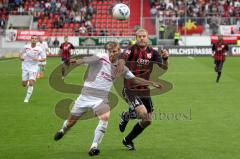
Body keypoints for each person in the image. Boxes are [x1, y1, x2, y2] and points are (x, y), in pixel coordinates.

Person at [53, 42, 161, 156]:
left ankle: (94, 147)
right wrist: (76, 61)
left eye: (114, 51)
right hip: (85, 96)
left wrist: (151, 83)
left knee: (105, 117)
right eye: (110, 51)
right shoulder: (101, 57)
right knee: (70, 123)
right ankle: (63, 130)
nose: (112, 54)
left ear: (119, 52)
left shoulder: (122, 68)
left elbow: (134, 79)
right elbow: (86, 60)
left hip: (101, 99)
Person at [116, 28, 169, 150]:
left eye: (144, 36)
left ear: (148, 38)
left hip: (144, 90)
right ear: (136, 38)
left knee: (147, 120)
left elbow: (163, 68)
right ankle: (129, 115)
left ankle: (127, 139)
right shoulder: (131, 49)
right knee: (142, 113)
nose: (141, 38)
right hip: (130, 89)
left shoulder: (153, 53)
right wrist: (121, 65)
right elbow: (123, 57)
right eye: (139, 36)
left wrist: (165, 59)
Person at [19, 35, 46, 103]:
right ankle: (27, 82)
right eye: (32, 38)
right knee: (24, 84)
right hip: (25, 66)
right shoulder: (26, 47)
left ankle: (27, 98)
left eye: (35, 39)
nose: (34, 39)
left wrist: (38, 59)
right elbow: (20, 53)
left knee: (31, 83)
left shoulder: (39, 49)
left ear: (37, 40)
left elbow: (44, 58)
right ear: (30, 40)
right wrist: (21, 57)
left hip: (34, 67)